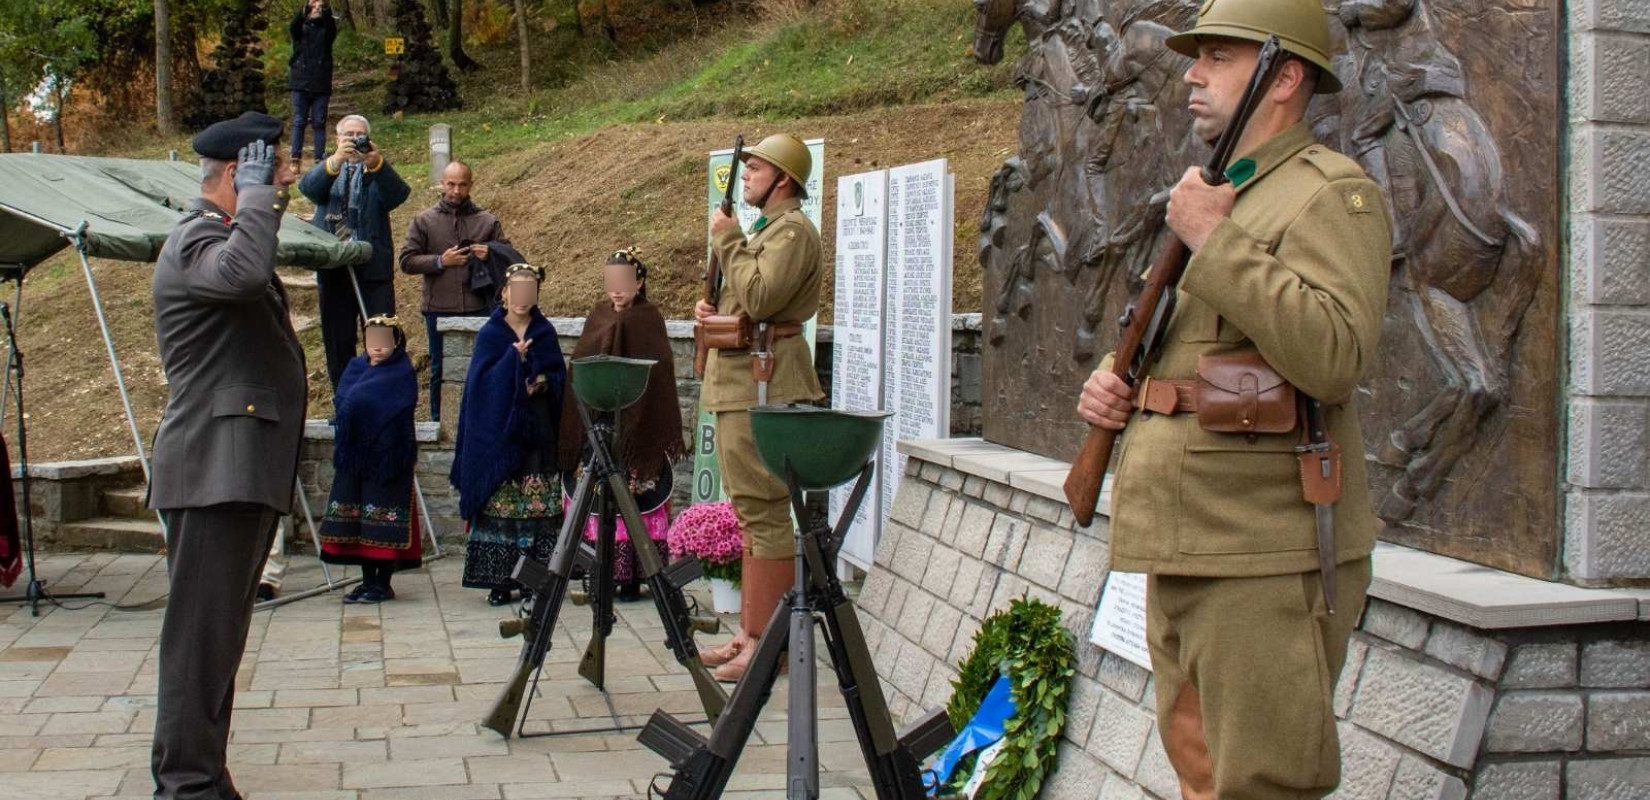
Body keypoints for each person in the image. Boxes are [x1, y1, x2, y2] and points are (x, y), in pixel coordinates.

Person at [1074, 0, 1392, 796]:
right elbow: (1199, 357)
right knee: (1205, 777)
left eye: (1218, 56)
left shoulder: (1328, 194)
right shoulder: (1225, 194)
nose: (1191, 74)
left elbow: (1335, 356)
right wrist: (1122, 393)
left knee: (1263, 784)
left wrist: (1218, 241)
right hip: (1185, 536)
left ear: (1285, 78)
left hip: (1265, 547)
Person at [148, 111, 306, 800]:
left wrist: (259, 193)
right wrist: (257, 194)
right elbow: (244, 274)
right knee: (200, 644)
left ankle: (203, 778)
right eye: (275, 173)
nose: (287, 182)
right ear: (234, 176)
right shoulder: (195, 240)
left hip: (233, 469)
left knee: (217, 645)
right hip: (214, 468)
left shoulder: (215, 241)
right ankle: (184, 786)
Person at [692, 133, 824, 682]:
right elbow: (745, 301)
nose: (745, 177)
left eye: (756, 169)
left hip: (764, 385)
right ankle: (749, 634)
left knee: (766, 513)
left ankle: (766, 646)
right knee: (751, 514)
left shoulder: (791, 231)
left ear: (783, 180)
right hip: (741, 384)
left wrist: (727, 241)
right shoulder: (768, 230)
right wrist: (711, 308)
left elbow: (765, 298)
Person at [559, 248, 685, 601]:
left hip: (638, 428)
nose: (617, 290)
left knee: (635, 502)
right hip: (598, 426)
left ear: (639, 282)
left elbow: (658, 375)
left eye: (625, 282)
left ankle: (632, 577)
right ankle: (601, 576)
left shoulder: (649, 319)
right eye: (611, 282)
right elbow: (581, 364)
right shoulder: (597, 316)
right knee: (599, 503)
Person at [451, 264, 567, 606]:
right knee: (500, 511)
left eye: (528, 290)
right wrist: (511, 362)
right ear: (503, 292)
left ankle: (533, 581)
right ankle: (500, 582)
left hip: (536, 433)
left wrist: (541, 381)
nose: (521, 297)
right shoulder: (491, 333)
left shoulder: (544, 331)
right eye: (515, 289)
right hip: (497, 436)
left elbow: (558, 374)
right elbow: (480, 385)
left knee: (535, 512)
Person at [298, 114, 411, 390]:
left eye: (360, 135)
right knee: (338, 341)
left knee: (382, 336)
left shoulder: (376, 171)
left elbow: (398, 195)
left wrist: (377, 164)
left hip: (373, 269)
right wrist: (335, 160)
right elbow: (308, 189)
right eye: (348, 135)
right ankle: (344, 400)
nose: (354, 140)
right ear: (337, 139)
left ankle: (383, 394)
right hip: (334, 268)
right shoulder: (328, 168)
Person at [399, 161, 516, 422]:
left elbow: (512, 260)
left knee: (484, 366)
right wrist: (440, 261)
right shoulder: (424, 220)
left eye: (462, 185)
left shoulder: (486, 220)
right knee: (440, 369)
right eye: (451, 184)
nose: (456, 191)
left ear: (470, 185)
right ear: (442, 183)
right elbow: (406, 261)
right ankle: (439, 420)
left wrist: (491, 252)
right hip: (438, 308)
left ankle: (483, 419)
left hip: (480, 305)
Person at [318, 314, 423, 603]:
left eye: (384, 339)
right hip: (355, 457)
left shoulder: (401, 371)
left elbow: (393, 403)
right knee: (359, 521)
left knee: (381, 517)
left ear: (395, 340)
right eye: (371, 339)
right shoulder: (354, 368)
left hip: (388, 457)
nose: (377, 345)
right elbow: (344, 400)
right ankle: (366, 581)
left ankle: (382, 583)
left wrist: (358, 407)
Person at [287, 0, 337, 166]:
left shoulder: (326, 31)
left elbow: (331, 28)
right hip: (300, 82)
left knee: (319, 122)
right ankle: (295, 159)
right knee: (299, 121)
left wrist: (326, 9)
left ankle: (319, 159)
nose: (317, 9)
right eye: (314, 6)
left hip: (321, 83)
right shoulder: (300, 30)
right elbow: (293, 26)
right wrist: (304, 11)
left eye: (319, 6)